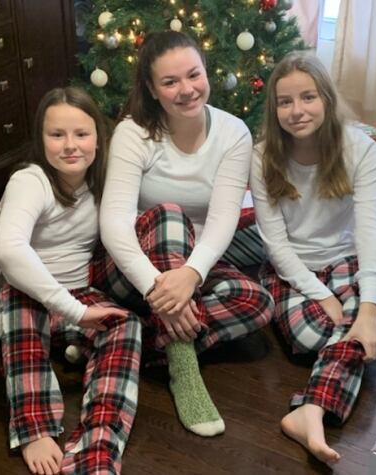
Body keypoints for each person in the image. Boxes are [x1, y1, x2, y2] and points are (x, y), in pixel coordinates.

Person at [250, 51, 376, 464]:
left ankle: (311, 408)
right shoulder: (262, 156)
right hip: (291, 271)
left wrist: (367, 310)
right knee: (312, 335)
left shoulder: (361, 149)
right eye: (285, 102)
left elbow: (371, 234)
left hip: (346, 262)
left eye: (308, 97)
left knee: (359, 325)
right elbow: (277, 247)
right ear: (274, 108)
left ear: (327, 99)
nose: (297, 111)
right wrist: (322, 295)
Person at [99, 31, 273, 438]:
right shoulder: (133, 132)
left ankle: (141, 339)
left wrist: (192, 275)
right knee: (171, 217)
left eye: (193, 75)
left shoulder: (234, 134)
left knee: (257, 301)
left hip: (188, 270)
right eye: (170, 82)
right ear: (151, 88)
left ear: (206, 72)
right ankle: (182, 361)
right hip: (133, 266)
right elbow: (113, 222)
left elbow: (223, 218)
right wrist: (162, 295)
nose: (186, 90)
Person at [0, 87, 140, 475]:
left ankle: (99, 444)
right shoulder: (30, 181)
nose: (70, 146)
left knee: (125, 323)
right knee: (20, 295)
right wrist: (76, 311)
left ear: (99, 137)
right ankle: (35, 426)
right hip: (5, 296)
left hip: (74, 295)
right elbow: (10, 252)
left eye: (81, 134)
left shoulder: (104, 183)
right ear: (40, 138)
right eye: (57, 135)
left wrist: (81, 309)